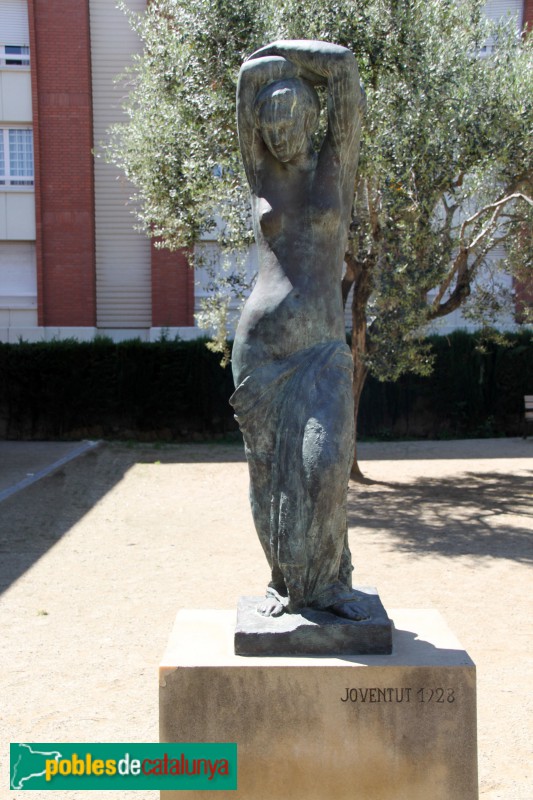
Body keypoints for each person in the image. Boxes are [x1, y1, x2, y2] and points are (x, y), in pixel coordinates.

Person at [230, 40, 368, 620]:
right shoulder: (262, 174)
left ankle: (331, 583)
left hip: (322, 352)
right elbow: (245, 90)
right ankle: (282, 583)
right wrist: (258, 73)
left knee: (324, 466)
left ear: (312, 120)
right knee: (267, 478)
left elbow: (346, 77)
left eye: (290, 124)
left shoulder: (336, 167)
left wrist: (281, 52)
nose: (280, 138)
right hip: (261, 353)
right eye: (270, 128)